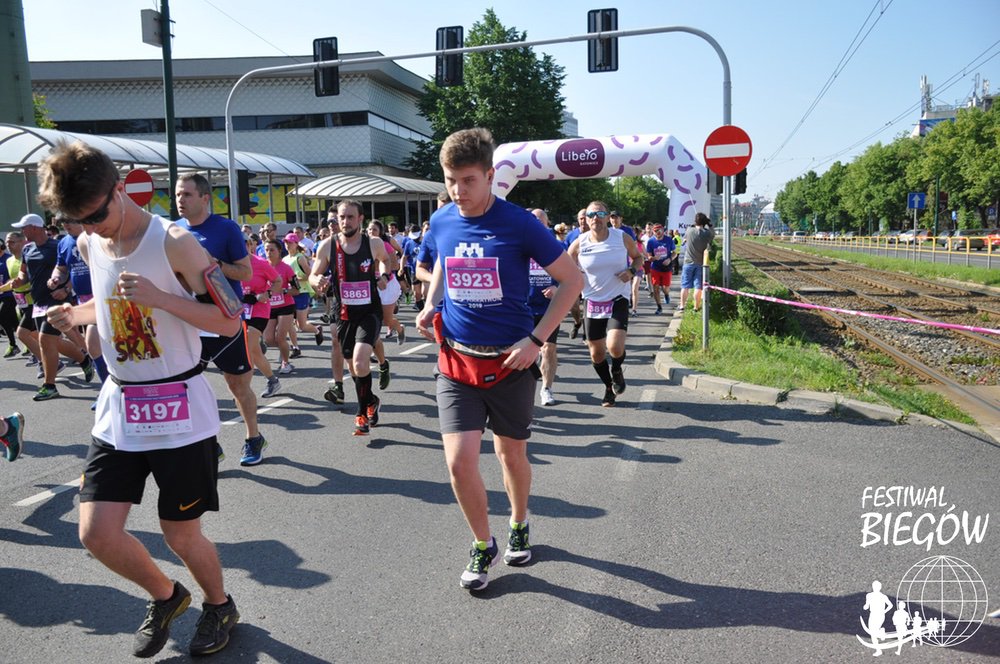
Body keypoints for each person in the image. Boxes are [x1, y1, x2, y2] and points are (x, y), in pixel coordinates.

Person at [39, 140, 239, 657]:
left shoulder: (175, 242)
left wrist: (159, 297)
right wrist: (76, 315)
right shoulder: (90, 244)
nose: (91, 227)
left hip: (179, 408)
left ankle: (220, 605)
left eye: (96, 215)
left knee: (180, 534)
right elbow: (109, 305)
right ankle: (167, 596)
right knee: (96, 533)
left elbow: (229, 321)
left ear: (119, 189)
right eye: (78, 220)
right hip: (121, 407)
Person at [415, 128, 582, 591]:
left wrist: (535, 340)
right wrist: (431, 303)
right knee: (458, 462)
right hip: (457, 362)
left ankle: (519, 521)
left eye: (468, 180)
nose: (458, 191)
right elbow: (444, 262)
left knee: (511, 454)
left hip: (511, 363)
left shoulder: (520, 224)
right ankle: (482, 542)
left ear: (490, 176)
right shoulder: (442, 220)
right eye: (450, 180)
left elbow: (572, 281)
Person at [174, 173, 266, 461]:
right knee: (187, 386)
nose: (180, 200)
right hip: (189, 321)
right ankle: (209, 444)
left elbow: (246, 273)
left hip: (224, 319)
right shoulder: (173, 230)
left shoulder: (226, 229)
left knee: (237, 385)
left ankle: (254, 437)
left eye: (187, 194)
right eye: (177, 194)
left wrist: (214, 264)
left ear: (205, 198)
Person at [309, 200, 392, 435]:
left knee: (360, 361)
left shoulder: (373, 243)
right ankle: (371, 401)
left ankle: (361, 413)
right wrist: (318, 281)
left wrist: (384, 276)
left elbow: (387, 260)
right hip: (344, 312)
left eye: (350, 217)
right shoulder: (328, 245)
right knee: (355, 368)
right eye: (341, 218)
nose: (345, 222)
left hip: (369, 311)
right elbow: (313, 275)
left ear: (360, 219)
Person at [567, 201, 644, 407]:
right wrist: (572, 279)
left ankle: (617, 369)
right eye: (591, 214)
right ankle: (609, 387)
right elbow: (566, 266)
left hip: (617, 298)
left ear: (608, 217)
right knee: (596, 353)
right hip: (592, 301)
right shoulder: (580, 242)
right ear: (586, 219)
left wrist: (631, 271)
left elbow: (638, 258)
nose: (596, 218)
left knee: (615, 347)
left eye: (600, 214)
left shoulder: (621, 237)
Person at [9, 213, 92, 401]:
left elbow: (72, 268)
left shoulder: (57, 246)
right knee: (49, 342)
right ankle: (83, 358)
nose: (22, 231)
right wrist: (18, 281)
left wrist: (66, 288)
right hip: (38, 302)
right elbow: (24, 274)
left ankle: (49, 385)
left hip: (58, 300)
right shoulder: (28, 249)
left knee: (46, 340)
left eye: (24, 227)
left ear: (35, 227)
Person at [528, 210, 561, 406]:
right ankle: (525, 388)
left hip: (549, 308)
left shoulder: (556, 247)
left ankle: (546, 388)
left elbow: (569, 274)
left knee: (548, 349)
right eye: (534, 220)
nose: (537, 224)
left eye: (541, 221)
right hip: (524, 308)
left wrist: (557, 287)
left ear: (547, 224)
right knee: (526, 352)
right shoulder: (519, 245)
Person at [282, 232, 323, 359]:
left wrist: (296, 279)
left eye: (290, 242)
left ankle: (317, 330)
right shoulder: (284, 259)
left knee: (302, 325)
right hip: (289, 293)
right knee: (289, 323)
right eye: (286, 242)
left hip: (302, 292)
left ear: (296, 244)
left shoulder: (300, 258)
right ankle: (295, 348)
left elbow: (310, 275)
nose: (287, 245)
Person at [679, 212, 715, 311]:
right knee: (698, 287)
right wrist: (709, 224)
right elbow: (713, 234)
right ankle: (696, 307)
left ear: (695, 221)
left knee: (685, 286)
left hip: (688, 262)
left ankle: (682, 305)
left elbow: (686, 237)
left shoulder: (689, 230)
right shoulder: (707, 234)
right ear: (704, 222)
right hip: (700, 263)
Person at [563, 208, 588, 338]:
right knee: (574, 306)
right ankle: (578, 322)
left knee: (588, 305)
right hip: (574, 275)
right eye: (581, 218)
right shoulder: (571, 235)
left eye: (585, 218)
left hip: (590, 276)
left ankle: (587, 332)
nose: (583, 221)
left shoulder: (595, 234)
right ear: (578, 220)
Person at [645, 223, 675, 314]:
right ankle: (659, 307)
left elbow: (675, 253)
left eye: (659, 230)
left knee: (665, 288)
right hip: (655, 268)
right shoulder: (651, 241)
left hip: (666, 268)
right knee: (656, 288)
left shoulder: (669, 240)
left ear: (662, 230)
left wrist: (669, 259)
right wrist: (653, 258)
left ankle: (666, 294)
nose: (657, 232)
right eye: (655, 231)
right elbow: (649, 256)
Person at [863, 580, 894, 655]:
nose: (875, 587)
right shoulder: (869, 595)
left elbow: (890, 605)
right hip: (873, 614)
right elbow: (867, 605)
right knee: (872, 633)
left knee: (873, 632)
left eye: (876, 586)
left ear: (880, 587)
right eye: (874, 586)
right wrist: (865, 607)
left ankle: (880, 632)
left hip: (878, 615)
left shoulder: (882, 596)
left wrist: (884, 611)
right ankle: (878, 649)